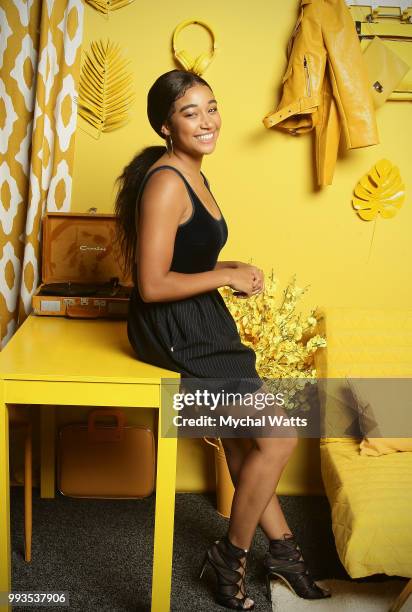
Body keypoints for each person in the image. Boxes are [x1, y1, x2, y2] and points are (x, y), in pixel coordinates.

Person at [114, 69, 330, 610]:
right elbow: (151, 283)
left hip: (200, 318)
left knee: (242, 442)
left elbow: (186, 256)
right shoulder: (166, 182)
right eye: (191, 113)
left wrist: (226, 265)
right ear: (167, 125)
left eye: (211, 107)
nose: (207, 121)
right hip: (172, 330)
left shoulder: (195, 171)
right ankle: (229, 557)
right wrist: (225, 277)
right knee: (277, 437)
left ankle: (283, 553)